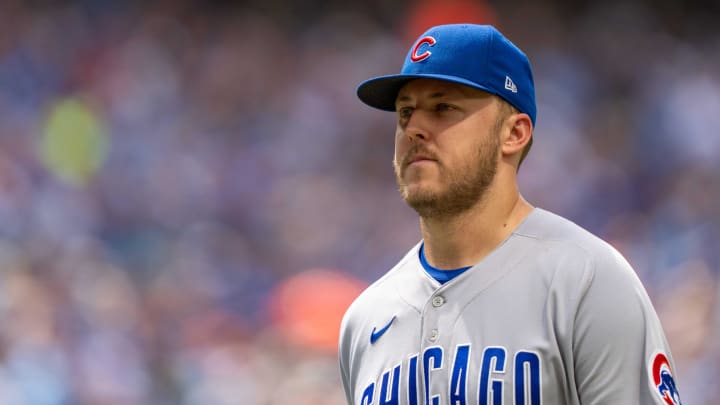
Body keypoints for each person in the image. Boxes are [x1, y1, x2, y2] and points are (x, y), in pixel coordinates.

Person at [338, 23, 682, 405]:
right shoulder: (364, 319)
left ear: (514, 133)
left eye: (442, 107)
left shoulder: (586, 279)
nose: (414, 128)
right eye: (405, 113)